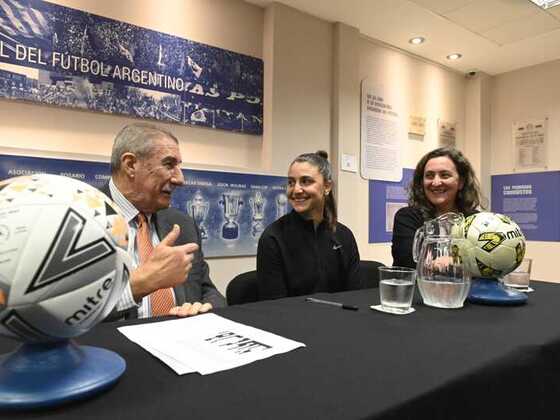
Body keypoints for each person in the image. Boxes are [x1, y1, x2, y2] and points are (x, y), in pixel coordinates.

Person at [103, 123, 225, 319]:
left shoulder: (183, 225)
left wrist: (204, 309)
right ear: (130, 165)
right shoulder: (82, 221)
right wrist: (139, 285)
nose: (180, 179)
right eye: (169, 165)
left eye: (179, 166)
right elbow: (63, 313)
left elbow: (207, 291)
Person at [256, 151, 361, 300]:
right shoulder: (273, 238)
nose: (296, 190)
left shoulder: (344, 236)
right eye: (291, 182)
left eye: (306, 181)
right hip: (291, 321)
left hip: (339, 319)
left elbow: (354, 296)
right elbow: (275, 307)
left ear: (327, 186)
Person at [391, 147, 484, 269]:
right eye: (429, 176)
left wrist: (454, 260)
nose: (435, 182)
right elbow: (409, 262)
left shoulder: (476, 220)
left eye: (445, 175)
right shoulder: (407, 217)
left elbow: (488, 259)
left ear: (461, 182)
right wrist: (461, 261)